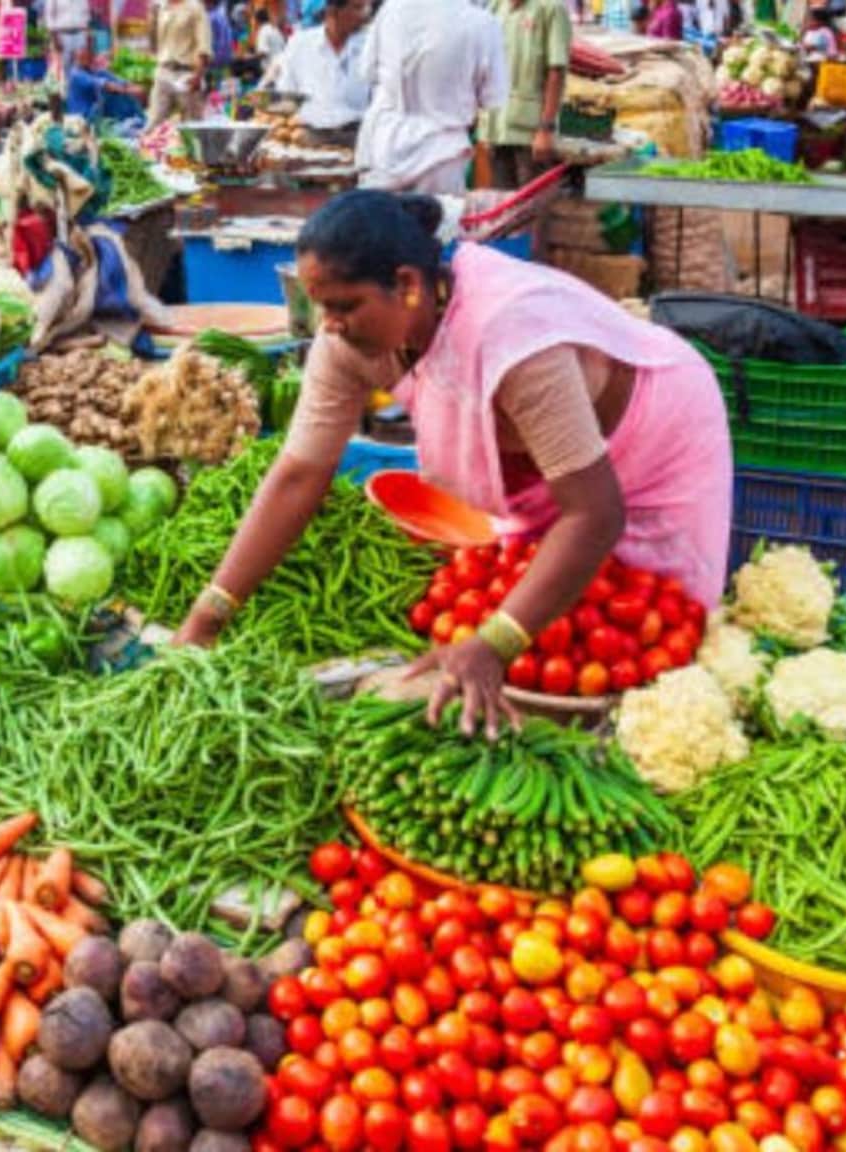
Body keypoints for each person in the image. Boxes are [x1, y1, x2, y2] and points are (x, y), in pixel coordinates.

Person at [173, 191, 732, 736]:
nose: (330, 325)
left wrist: (494, 643)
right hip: (546, 468)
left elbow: (593, 514)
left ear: (409, 286)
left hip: (653, 434)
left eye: (344, 306)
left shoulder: (510, 333)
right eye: (321, 307)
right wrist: (208, 615)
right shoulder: (346, 343)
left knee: (651, 633)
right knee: (557, 618)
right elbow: (299, 475)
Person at [355, 0, 505, 194]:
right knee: (437, 221)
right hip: (442, 157)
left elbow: (368, 72)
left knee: (379, 221)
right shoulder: (483, 23)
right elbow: (492, 97)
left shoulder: (391, 9)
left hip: (384, 147)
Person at [478, 0, 568, 191]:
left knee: (531, 203)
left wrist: (546, 128)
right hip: (497, 125)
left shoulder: (550, 8)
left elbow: (556, 70)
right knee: (503, 202)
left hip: (530, 129)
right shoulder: (496, 7)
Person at [265, 0, 369, 140]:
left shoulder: (369, 46)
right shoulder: (300, 45)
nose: (365, 15)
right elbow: (287, 95)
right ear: (332, 11)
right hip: (310, 137)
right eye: (357, 8)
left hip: (357, 136)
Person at [145, 0, 208, 126]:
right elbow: (154, 45)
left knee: (192, 127)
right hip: (163, 71)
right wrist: (151, 19)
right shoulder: (161, 7)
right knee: (154, 123)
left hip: (187, 73)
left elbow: (204, 45)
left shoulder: (195, 8)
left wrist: (198, 75)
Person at [62, 40, 138, 119]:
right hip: (82, 116)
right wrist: (127, 91)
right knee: (113, 97)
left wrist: (132, 86)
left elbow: (115, 79)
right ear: (76, 58)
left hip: (94, 112)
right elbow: (106, 85)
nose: (88, 59)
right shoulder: (76, 74)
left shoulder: (93, 71)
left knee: (121, 99)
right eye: (82, 57)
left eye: (89, 56)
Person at [43, 0, 89, 79]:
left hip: (79, 33)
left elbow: (86, 14)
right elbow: (49, 16)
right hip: (62, 34)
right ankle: (65, 88)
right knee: (64, 66)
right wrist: (55, 37)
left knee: (80, 66)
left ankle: (75, 89)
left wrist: (86, 35)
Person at [251, 7, 284, 76]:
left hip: (271, 69)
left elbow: (263, 53)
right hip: (281, 66)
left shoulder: (263, 31)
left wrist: (249, 57)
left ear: (257, 20)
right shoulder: (275, 29)